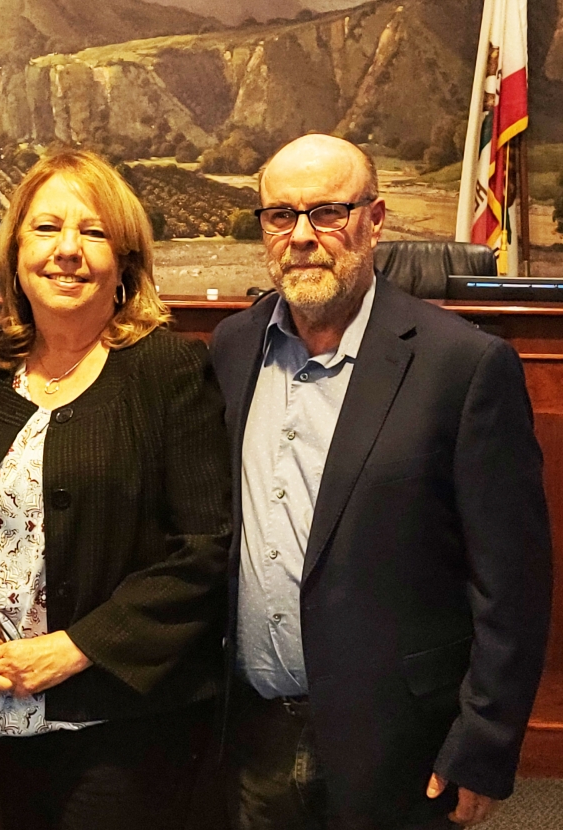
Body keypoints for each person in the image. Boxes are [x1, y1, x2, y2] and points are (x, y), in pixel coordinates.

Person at [209, 133, 553, 830]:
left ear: (375, 218)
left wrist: (484, 744)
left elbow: (512, 580)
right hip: (250, 733)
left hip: (399, 746)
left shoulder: (464, 366)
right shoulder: (232, 346)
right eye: (281, 216)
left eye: (327, 212)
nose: (302, 236)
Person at [0, 148, 231, 830]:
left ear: (124, 261)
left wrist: (73, 649)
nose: (67, 251)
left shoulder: (167, 369)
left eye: (93, 232)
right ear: (12, 254)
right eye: (46, 229)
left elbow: (204, 548)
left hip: (123, 726)